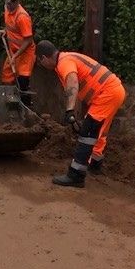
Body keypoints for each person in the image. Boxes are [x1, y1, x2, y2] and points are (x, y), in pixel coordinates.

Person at [35, 40, 127, 188]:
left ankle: (76, 175)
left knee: (87, 132)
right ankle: (95, 163)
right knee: (99, 132)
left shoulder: (63, 63)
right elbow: (77, 89)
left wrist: (69, 112)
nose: (43, 67)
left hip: (107, 93)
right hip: (112, 91)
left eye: (41, 63)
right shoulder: (67, 58)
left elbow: (72, 83)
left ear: (44, 58)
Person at [0, 0, 35, 108]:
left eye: (12, 0)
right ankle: (10, 103)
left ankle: (26, 108)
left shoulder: (22, 17)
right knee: (7, 77)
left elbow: (28, 40)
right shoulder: (7, 9)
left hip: (25, 53)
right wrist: (5, 31)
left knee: (22, 82)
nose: (8, 1)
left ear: (18, 1)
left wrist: (15, 56)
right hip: (13, 50)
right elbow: (11, 27)